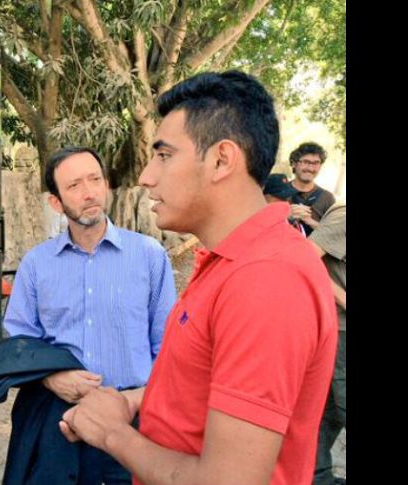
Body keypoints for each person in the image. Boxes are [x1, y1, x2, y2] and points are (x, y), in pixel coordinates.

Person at [60, 71, 338, 485]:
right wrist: (133, 402)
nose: (146, 176)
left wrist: (112, 434)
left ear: (222, 160)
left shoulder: (266, 279)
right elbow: (207, 384)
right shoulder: (230, 261)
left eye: (164, 155)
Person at [1, 146, 177, 483]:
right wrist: (50, 377)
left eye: (95, 179)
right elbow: (21, 342)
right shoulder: (37, 265)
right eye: (74, 185)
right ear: (56, 202)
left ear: (107, 185)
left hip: (132, 419)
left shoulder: (149, 256)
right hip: (58, 417)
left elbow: (168, 346)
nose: (89, 192)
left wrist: (137, 402)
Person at [310, 203, 346, 485]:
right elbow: (306, 257)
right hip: (341, 331)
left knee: (327, 412)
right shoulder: (344, 216)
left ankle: (316, 476)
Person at [287, 142, 336, 235]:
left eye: (316, 163)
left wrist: (309, 221)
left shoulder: (328, 198)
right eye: (305, 162)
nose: (310, 168)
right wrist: (288, 218)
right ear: (294, 164)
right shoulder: (276, 192)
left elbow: (332, 234)